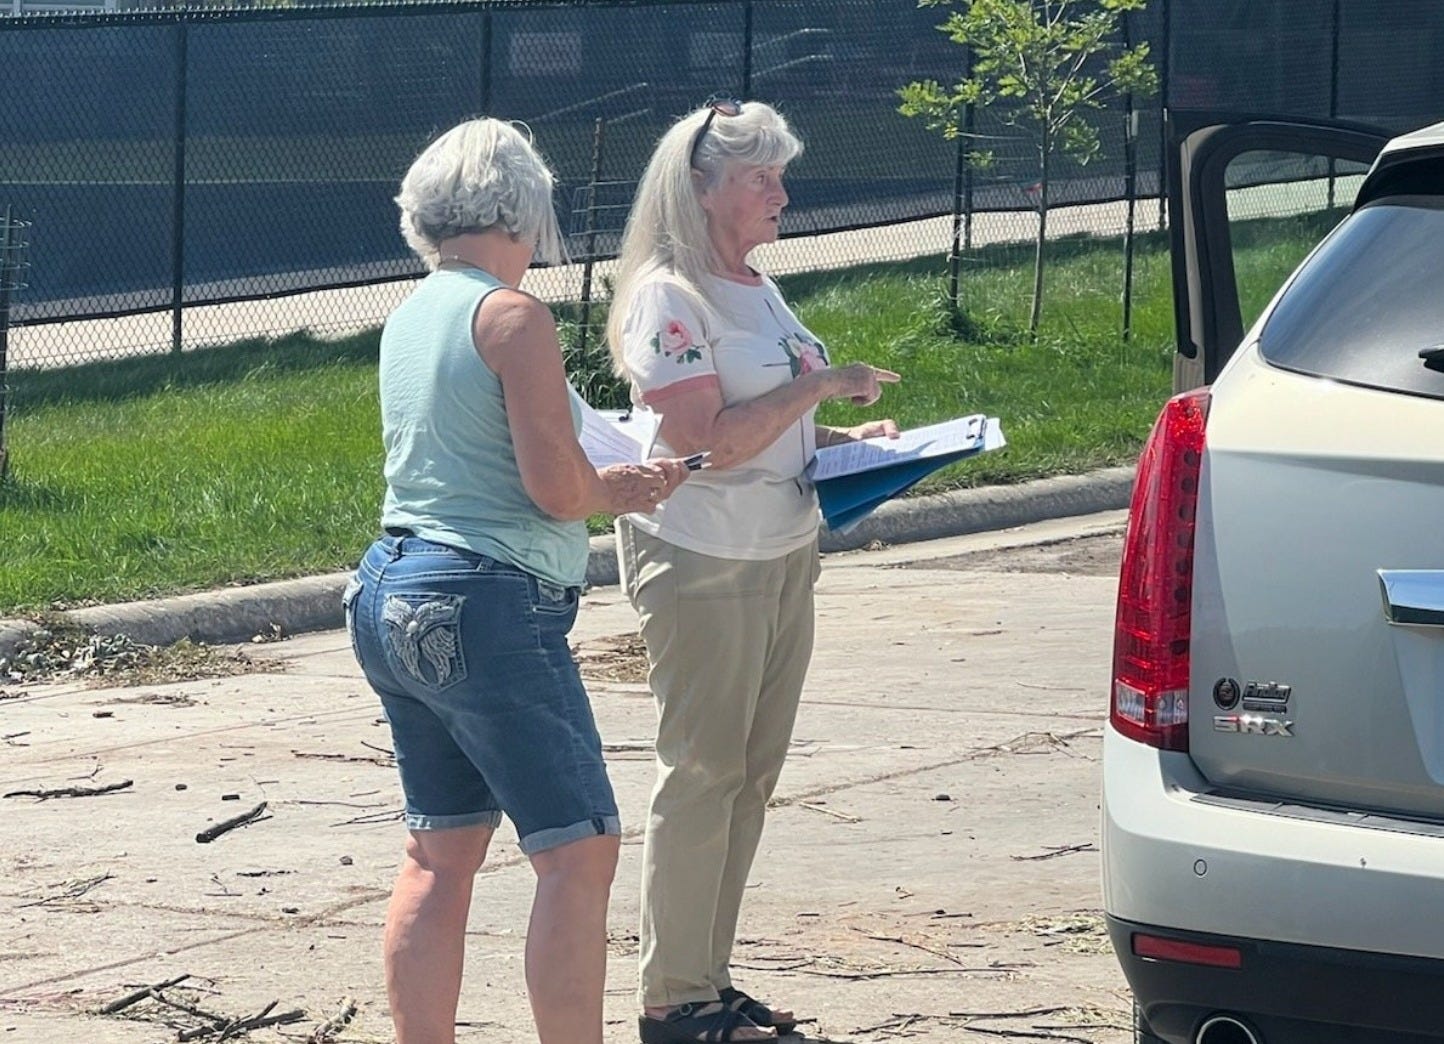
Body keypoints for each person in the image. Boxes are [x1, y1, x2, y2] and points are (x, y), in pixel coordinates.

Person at [342, 117, 690, 1044]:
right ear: (520, 212)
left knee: (439, 850)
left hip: (390, 586)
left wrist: (589, 479)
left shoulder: (412, 312)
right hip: (490, 600)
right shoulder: (513, 317)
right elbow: (555, 489)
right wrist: (619, 488)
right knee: (579, 849)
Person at [606, 99, 901, 1043]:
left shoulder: (756, 286)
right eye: (759, 177)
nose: (781, 192)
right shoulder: (669, 296)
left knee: (750, 775)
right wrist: (822, 383)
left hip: (782, 549)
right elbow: (708, 441)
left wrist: (850, 439)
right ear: (700, 190)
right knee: (702, 771)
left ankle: (709, 980)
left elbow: (772, 427)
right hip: (702, 556)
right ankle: (672, 1000)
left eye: (781, 173)